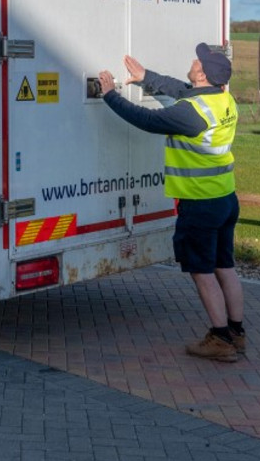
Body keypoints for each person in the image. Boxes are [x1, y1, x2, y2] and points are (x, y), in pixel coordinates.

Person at [96, 43, 245, 362]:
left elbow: (147, 120)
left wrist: (109, 94)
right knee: (225, 266)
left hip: (200, 203)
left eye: (197, 61)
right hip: (225, 198)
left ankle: (219, 339)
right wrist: (146, 76)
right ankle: (236, 331)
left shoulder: (192, 115)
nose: (192, 62)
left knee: (202, 272)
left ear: (202, 74)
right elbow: (181, 90)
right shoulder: (222, 99)